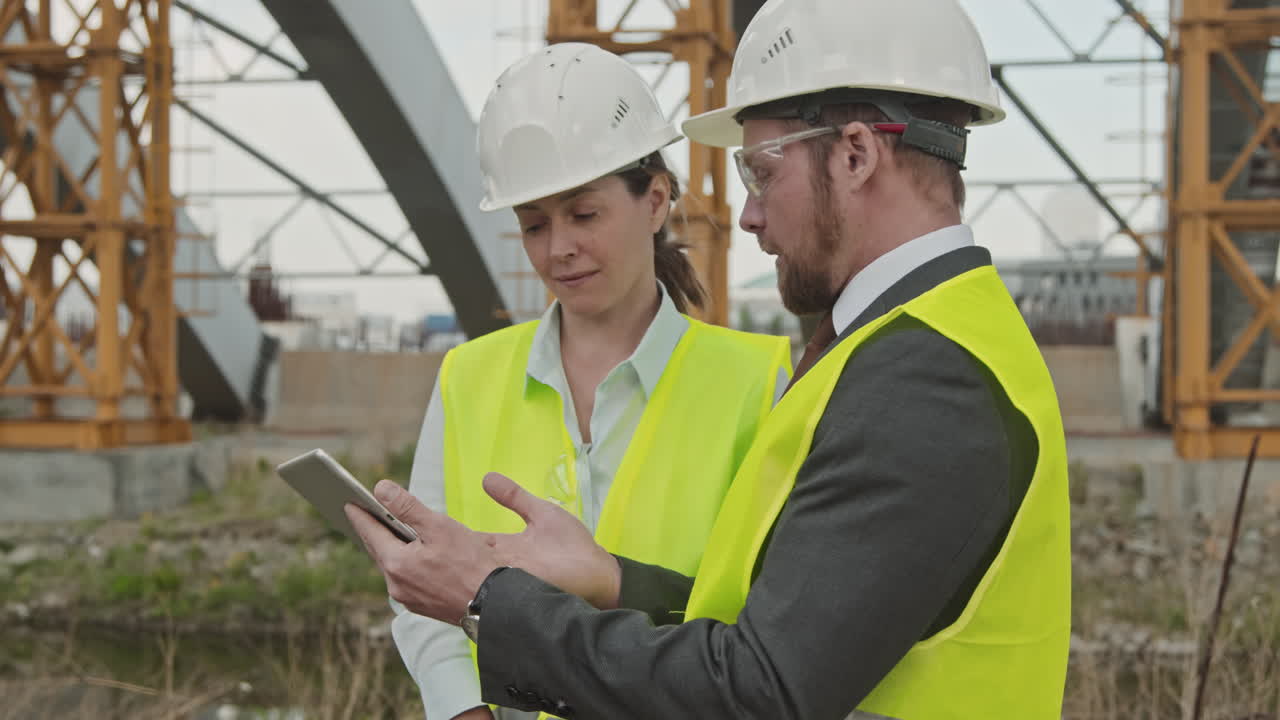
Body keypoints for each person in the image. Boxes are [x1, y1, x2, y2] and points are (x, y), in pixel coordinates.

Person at [354, 1, 1072, 717]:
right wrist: (611, 581)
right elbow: (774, 635)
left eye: (761, 173)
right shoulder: (910, 346)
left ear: (856, 154)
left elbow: (757, 692)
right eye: (533, 223)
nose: (749, 215)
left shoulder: (924, 381)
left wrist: (488, 601)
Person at [389, 42, 793, 720]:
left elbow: (773, 625)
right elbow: (427, 594)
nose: (558, 250)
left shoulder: (761, 381)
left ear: (656, 200)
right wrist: (464, 710)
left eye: (584, 214)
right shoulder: (467, 377)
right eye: (534, 225)